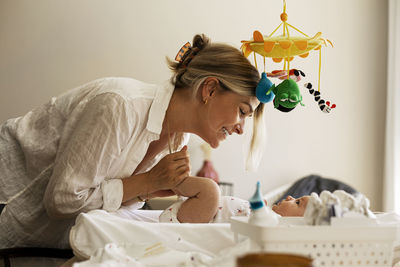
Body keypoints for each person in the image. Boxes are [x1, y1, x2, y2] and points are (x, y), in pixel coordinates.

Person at [0, 34, 265, 248]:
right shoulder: (121, 106)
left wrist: (147, 190)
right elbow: (62, 200)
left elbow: (110, 201)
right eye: (242, 111)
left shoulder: (177, 138)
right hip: (8, 199)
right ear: (209, 89)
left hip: (40, 237)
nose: (242, 129)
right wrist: (148, 182)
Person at [159, 176, 310, 223]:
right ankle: (167, 182)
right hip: (193, 211)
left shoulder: (275, 223)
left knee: (210, 189)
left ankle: (168, 180)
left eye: (297, 202)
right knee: (209, 190)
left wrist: (261, 211)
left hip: (198, 218)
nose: (290, 196)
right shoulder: (269, 214)